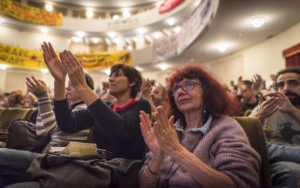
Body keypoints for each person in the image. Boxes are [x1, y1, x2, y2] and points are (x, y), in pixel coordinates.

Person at [0, 42, 151, 187]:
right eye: (111, 75)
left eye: (117, 75)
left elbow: (120, 130)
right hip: (80, 163)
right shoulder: (106, 106)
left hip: (104, 172)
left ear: (132, 82)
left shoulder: (141, 106)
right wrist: (59, 81)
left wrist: (82, 86)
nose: (110, 79)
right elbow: (67, 124)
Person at [138, 63, 261, 188]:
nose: (180, 91)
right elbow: (142, 184)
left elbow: (240, 184)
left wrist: (177, 151)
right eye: (176, 88)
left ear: (206, 91)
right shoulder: (168, 129)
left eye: (189, 84)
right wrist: (157, 158)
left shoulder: (225, 127)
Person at [250, 67, 300, 188]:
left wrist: (292, 111)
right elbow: (242, 131)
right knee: (293, 172)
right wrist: (260, 115)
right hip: (270, 158)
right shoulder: (268, 105)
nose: (286, 88)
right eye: (281, 85)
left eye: (293, 83)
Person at [26, 73, 94, 152]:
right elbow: (41, 132)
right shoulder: (68, 109)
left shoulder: (85, 108)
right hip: (49, 155)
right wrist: (41, 98)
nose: (67, 88)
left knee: (8, 156)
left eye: (73, 85)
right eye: (68, 84)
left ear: (86, 89)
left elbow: (50, 129)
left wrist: (43, 96)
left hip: (59, 158)